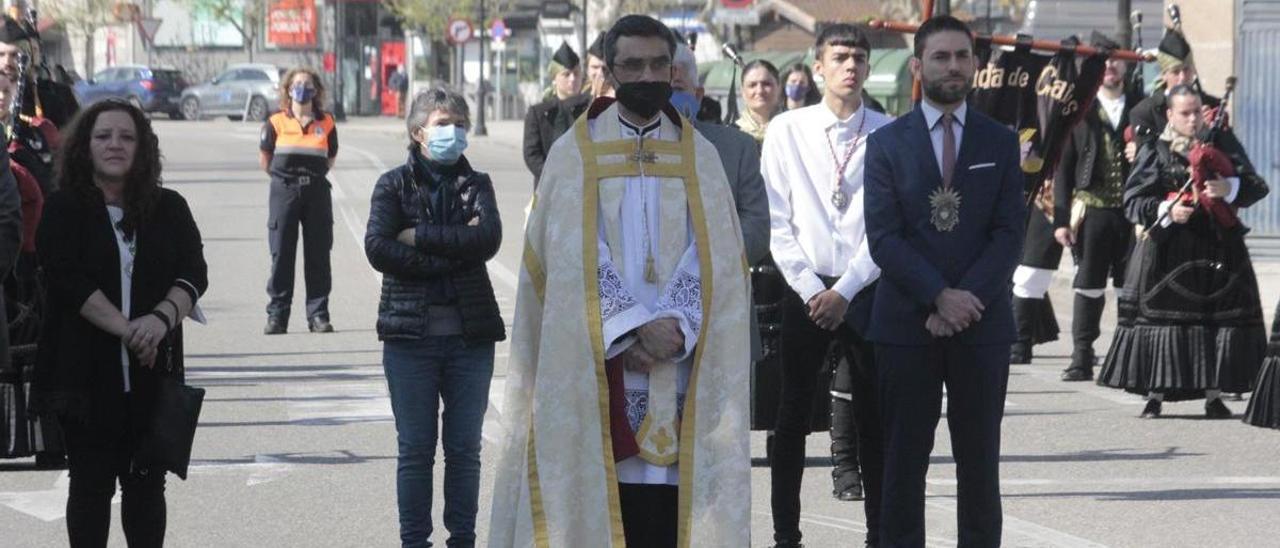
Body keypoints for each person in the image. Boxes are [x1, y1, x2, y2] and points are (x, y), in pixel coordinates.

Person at [488, 15, 751, 547]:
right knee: (608, 510)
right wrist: (631, 328)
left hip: (683, 364)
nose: (648, 74)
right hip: (600, 366)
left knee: (671, 514)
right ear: (609, 71)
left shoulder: (700, 155)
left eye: (660, 64)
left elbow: (718, 255)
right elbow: (567, 258)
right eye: (633, 65)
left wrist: (673, 323)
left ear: (674, 68)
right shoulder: (573, 154)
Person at [865, 15, 1025, 546]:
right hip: (907, 324)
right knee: (902, 464)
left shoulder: (1001, 142)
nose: (952, 66)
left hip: (981, 327)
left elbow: (1008, 234)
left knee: (979, 464)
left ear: (976, 64)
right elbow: (884, 238)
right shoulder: (886, 144)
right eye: (940, 57)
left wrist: (965, 302)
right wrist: (936, 296)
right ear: (918, 66)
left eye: (962, 56)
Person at [32, 99, 208, 547]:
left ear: (143, 148)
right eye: (104, 136)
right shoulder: (63, 209)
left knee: (147, 488)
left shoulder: (169, 207)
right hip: (85, 377)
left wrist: (161, 319)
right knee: (90, 487)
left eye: (127, 137)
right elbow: (67, 279)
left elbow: (194, 272)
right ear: (84, 147)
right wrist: (131, 329)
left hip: (153, 374)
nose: (115, 145)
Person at [762, 23, 891, 548]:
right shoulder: (787, 130)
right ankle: (786, 535)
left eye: (859, 56)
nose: (851, 65)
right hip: (805, 289)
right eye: (839, 56)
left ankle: (879, 533)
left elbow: (889, 225)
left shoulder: (887, 131)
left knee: (874, 418)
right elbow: (776, 220)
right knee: (791, 417)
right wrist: (812, 288)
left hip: (866, 285)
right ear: (817, 67)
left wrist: (849, 287)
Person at [364, 86, 505, 548]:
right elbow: (379, 247)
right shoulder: (392, 184)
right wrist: (451, 250)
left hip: (470, 337)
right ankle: (414, 542)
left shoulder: (476, 183)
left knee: (465, 451)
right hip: (410, 339)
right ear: (418, 131)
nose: (455, 133)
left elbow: (487, 240)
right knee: (416, 450)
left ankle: (462, 539)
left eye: (460, 124)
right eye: (445, 124)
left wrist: (418, 237)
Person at [1098, 85, 1268, 419]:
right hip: (1169, 251)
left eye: (1196, 112)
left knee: (1214, 322)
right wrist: (1165, 208)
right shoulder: (1155, 149)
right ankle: (1156, 393)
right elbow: (1134, 201)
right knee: (1166, 323)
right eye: (1185, 113)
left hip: (1218, 246)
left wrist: (1229, 188)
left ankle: (1213, 394)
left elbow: (1256, 185)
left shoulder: (1221, 143)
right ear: (1170, 115)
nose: (1192, 119)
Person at [1052, 33, 1136, 382]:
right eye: (1105, 61)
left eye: (1116, 60)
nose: (1111, 67)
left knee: (1130, 288)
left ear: (1126, 65)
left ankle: (1130, 359)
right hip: (1094, 210)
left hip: (1133, 214)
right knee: (1088, 285)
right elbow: (1063, 168)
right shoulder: (1079, 110)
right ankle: (1082, 356)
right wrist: (1061, 219)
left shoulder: (1143, 107)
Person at [259, 67, 338, 335]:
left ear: (316, 90)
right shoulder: (276, 122)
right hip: (284, 192)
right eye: (297, 83)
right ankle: (277, 317)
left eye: (307, 84)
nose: (302, 88)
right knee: (281, 254)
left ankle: (318, 315)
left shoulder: (326, 122)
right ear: (288, 89)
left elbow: (330, 158)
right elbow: (266, 161)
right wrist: (287, 182)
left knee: (318, 255)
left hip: (316, 193)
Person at [1128, 26, 1220, 154]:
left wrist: (1207, 129)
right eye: (1176, 72)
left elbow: (1234, 160)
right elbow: (1148, 162)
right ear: (1164, 74)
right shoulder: (1145, 112)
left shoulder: (1213, 106)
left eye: (1186, 70)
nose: (1182, 78)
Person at [523, 43, 590, 187]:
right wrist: (553, 177)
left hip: (584, 187)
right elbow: (531, 154)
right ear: (554, 78)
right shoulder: (539, 113)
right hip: (549, 189)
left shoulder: (591, 108)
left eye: (576, 73)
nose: (572, 79)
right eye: (566, 74)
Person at [736, 60, 781, 143]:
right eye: (752, 85)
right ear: (742, 91)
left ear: (779, 88)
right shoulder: (732, 134)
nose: (760, 91)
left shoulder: (792, 129)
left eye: (766, 84)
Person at [585, 33, 614, 99]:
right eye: (595, 67)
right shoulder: (578, 103)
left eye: (605, 68)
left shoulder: (622, 103)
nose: (600, 73)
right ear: (587, 69)